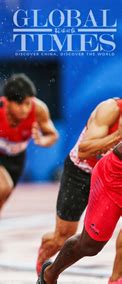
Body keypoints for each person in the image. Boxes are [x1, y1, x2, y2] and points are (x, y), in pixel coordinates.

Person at [0, 73, 59, 279]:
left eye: (28, 104)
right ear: (8, 102)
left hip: (16, 160)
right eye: (21, 105)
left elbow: (53, 134)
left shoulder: (38, 109)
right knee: (3, 187)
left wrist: (43, 141)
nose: (25, 109)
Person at [36, 98, 122, 282]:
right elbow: (84, 150)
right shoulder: (110, 109)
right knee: (77, 241)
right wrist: (118, 136)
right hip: (85, 172)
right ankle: (48, 272)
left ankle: (115, 279)